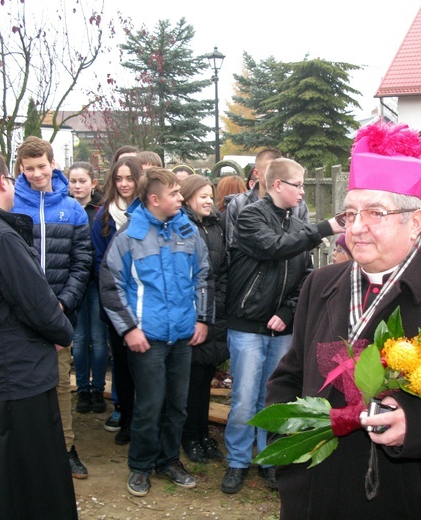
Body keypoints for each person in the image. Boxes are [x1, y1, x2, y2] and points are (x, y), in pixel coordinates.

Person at [266, 122, 421, 520]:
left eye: (374, 213)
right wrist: (289, 438)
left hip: (407, 495)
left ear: (415, 221)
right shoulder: (319, 283)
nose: (355, 227)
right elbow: (289, 376)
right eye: (350, 213)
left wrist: (417, 426)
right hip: (314, 492)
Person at [221, 158, 344, 494]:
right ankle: (237, 461)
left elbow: (305, 275)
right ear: (278, 185)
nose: (303, 192)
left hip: (280, 327)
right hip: (247, 323)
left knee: (275, 399)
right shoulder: (250, 217)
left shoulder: (296, 224)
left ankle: (270, 459)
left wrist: (289, 313)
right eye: (298, 185)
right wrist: (324, 229)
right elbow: (272, 247)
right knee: (245, 398)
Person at [99, 167, 213, 497]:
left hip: (181, 336)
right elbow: (110, 285)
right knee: (149, 405)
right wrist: (129, 329)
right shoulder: (129, 237)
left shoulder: (188, 232)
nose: (181, 198)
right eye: (175, 193)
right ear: (154, 199)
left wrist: (202, 319)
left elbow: (203, 277)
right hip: (146, 338)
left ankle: (167, 461)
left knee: (177, 405)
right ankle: (140, 466)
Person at [0, 152, 78, 519]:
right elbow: (37, 301)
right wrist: (62, 331)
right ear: (2, 182)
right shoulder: (0, 237)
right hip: (16, 374)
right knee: (26, 475)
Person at [12, 136, 93, 480]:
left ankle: (65, 448)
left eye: (41, 167)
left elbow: (82, 259)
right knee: (19, 384)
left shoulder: (72, 207)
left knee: (60, 382)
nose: (35, 174)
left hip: (59, 312)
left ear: (52, 163)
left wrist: (65, 302)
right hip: (18, 316)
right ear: (20, 169)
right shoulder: (10, 204)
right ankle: (25, 451)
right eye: (28, 169)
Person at [91, 156, 144, 444]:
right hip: (115, 305)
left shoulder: (149, 212)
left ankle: (144, 421)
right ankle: (125, 419)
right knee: (122, 366)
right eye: (119, 179)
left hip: (145, 305)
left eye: (130, 178)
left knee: (143, 367)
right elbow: (100, 263)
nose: (124, 184)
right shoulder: (103, 217)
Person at [179, 175, 229, 463]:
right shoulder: (182, 227)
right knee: (191, 381)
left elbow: (223, 271)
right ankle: (190, 436)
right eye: (202, 196)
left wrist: (217, 306)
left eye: (211, 195)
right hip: (192, 316)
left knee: (205, 378)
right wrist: (198, 314)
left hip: (214, 315)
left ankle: (202, 434)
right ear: (187, 198)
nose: (209, 200)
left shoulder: (217, 226)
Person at [68, 161, 108, 414]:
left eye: (82, 181)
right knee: (79, 339)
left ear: (93, 183)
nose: (77, 186)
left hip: (95, 282)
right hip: (73, 284)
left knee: (98, 338)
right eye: (73, 181)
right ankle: (83, 388)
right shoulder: (66, 207)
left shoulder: (101, 211)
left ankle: (98, 388)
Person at [225, 148, 309, 252]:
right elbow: (232, 245)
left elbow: (304, 244)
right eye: (270, 169)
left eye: (280, 169)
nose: (275, 173)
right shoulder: (239, 204)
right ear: (257, 173)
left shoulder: (298, 206)